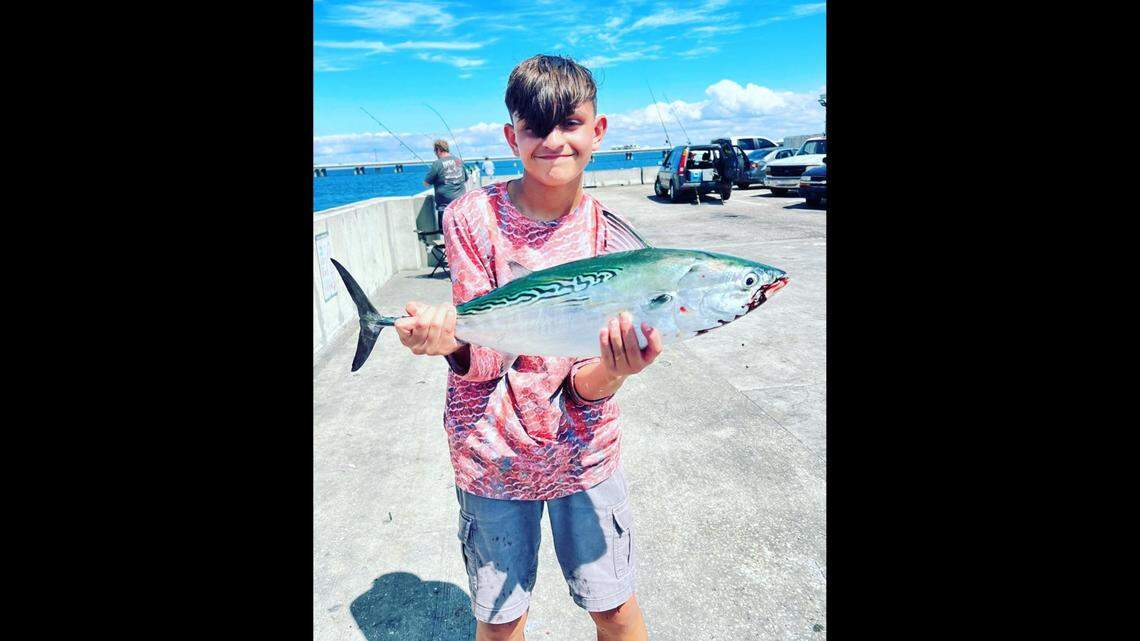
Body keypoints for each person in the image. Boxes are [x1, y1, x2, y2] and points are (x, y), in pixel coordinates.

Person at [394, 55, 655, 641]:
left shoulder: (614, 240)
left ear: (598, 130)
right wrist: (450, 344)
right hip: (492, 456)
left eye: (570, 124)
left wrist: (613, 373)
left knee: (616, 612)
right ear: (513, 137)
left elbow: (585, 385)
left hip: (584, 455)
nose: (553, 141)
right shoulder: (471, 217)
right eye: (535, 128)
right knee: (501, 622)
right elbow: (486, 357)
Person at [423, 139, 468, 229]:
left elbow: (426, 183)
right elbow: (465, 179)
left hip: (445, 208)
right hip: (461, 206)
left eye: (435, 151)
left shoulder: (437, 164)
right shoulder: (458, 161)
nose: (435, 154)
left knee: (446, 233)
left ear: (438, 150)